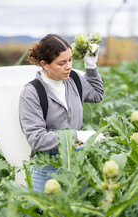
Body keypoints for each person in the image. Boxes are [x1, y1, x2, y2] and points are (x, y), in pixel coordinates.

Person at [19, 34, 104, 194]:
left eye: (70, 60)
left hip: (77, 160)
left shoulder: (74, 80)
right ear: (44, 64)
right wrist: (77, 136)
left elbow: (96, 94)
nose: (69, 66)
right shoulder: (32, 93)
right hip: (47, 167)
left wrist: (91, 67)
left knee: (77, 213)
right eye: (62, 63)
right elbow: (37, 140)